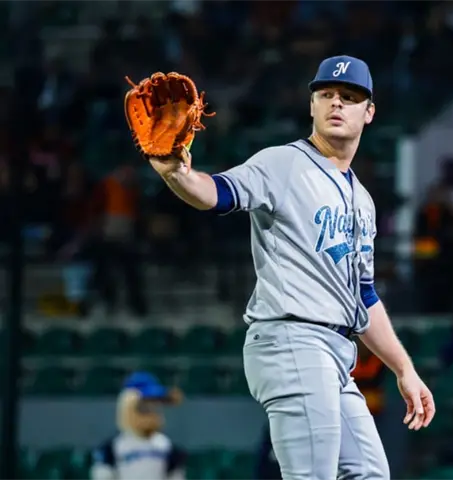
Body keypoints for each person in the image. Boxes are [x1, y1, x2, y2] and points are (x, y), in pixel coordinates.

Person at [145, 55, 435, 479]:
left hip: (336, 355)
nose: (337, 102)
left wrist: (404, 369)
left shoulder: (363, 201)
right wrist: (178, 175)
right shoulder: (282, 163)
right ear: (312, 104)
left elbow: (364, 296)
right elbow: (217, 193)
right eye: (327, 94)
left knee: (370, 474)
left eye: (350, 96)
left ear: (369, 112)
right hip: (292, 338)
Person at [90, 372, 186, 480]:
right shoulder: (112, 448)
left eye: (155, 404)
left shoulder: (167, 447)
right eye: (144, 406)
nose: (152, 410)